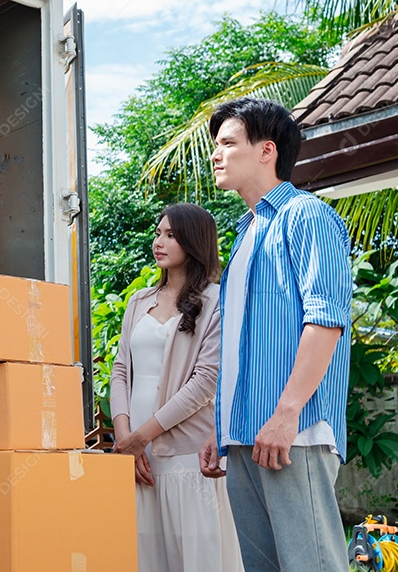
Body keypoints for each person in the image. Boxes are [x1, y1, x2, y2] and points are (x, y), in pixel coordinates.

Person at [198, 98, 352, 572]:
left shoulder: (305, 216)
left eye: (227, 143)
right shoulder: (245, 234)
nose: (215, 154)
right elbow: (243, 342)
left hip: (294, 433)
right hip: (245, 435)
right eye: (215, 145)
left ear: (267, 150)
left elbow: (325, 320)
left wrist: (287, 416)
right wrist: (221, 426)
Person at [110, 203, 243, 572]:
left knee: (196, 559)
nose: (159, 241)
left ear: (194, 242)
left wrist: (143, 435)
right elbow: (120, 370)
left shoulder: (216, 301)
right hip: (137, 456)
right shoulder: (137, 302)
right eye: (158, 233)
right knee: (144, 557)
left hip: (185, 454)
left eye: (171, 235)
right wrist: (127, 440)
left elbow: (205, 382)